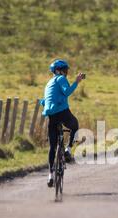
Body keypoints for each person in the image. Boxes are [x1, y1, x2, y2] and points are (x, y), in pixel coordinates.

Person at [41, 59, 85, 188]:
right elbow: (66, 92)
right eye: (65, 70)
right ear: (58, 71)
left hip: (51, 115)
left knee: (52, 147)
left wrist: (42, 103)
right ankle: (68, 149)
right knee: (74, 125)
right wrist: (77, 82)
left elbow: (45, 101)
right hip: (62, 111)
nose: (66, 73)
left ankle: (50, 174)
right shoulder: (60, 79)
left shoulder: (49, 83)